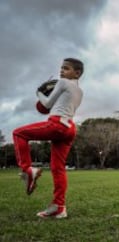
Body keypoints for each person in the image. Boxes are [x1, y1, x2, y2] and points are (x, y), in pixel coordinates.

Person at [13, 58, 84, 219]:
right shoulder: (80, 92)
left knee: (18, 133)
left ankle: (28, 169)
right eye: (61, 68)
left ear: (77, 73)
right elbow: (59, 104)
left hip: (57, 124)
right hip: (70, 128)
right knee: (58, 168)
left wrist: (38, 93)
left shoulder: (63, 83)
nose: (61, 71)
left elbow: (46, 105)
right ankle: (59, 207)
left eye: (66, 68)